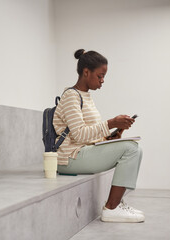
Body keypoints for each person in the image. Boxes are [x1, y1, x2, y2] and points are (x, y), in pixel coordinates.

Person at [53, 49, 144, 223]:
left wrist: (110, 137)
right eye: (100, 76)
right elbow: (79, 135)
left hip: (82, 152)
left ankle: (116, 204)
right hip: (69, 158)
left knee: (135, 149)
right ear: (86, 72)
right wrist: (111, 123)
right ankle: (112, 208)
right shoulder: (71, 96)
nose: (102, 81)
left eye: (104, 77)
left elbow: (89, 133)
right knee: (131, 149)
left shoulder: (85, 96)